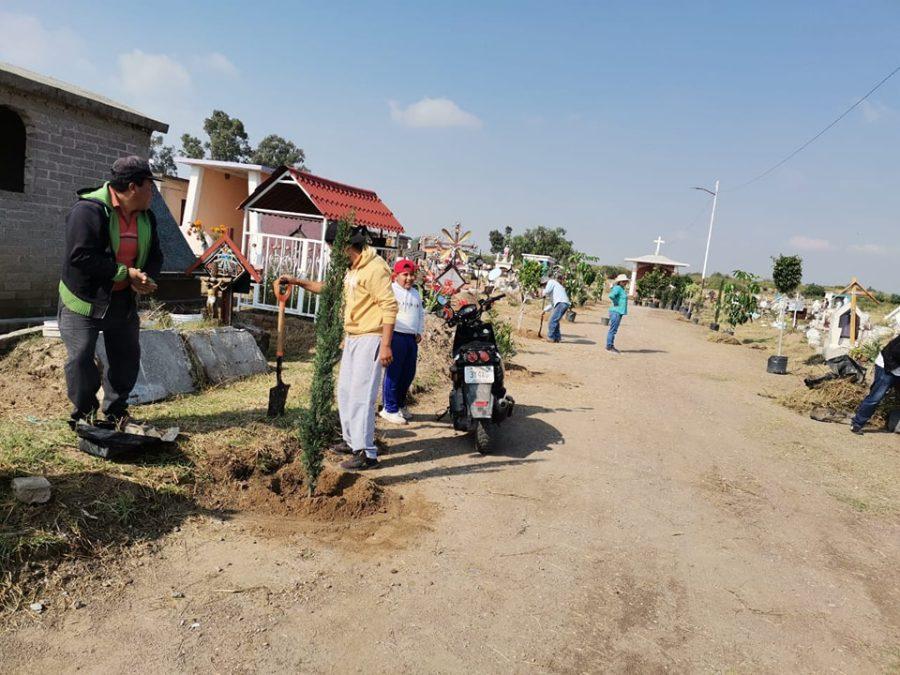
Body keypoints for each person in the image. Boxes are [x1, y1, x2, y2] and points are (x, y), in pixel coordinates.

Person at [279, 225, 397, 470]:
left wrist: (386, 345)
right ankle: (351, 440)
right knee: (345, 392)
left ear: (345, 246)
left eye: (332, 248)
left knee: (361, 396)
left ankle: (367, 453)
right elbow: (328, 287)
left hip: (371, 337)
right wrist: (297, 281)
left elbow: (389, 306)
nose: (332, 253)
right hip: (353, 336)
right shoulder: (350, 268)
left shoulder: (375, 269)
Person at [58, 156, 162, 426]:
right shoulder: (88, 212)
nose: (153, 191)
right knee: (81, 358)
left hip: (121, 300)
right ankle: (84, 414)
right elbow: (80, 256)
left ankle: (116, 411)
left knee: (126, 355)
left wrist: (145, 277)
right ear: (133, 187)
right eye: (150, 185)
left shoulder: (147, 218)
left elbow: (155, 256)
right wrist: (124, 273)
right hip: (84, 299)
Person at [379, 259, 425, 425]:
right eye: (405, 275)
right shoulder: (391, 291)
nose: (409, 278)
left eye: (412, 275)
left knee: (408, 373)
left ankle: (400, 404)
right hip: (396, 335)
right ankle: (389, 408)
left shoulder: (416, 294)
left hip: (410, 339)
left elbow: (421, 314)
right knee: (394, 373)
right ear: (395, 276)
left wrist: (419, 331)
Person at [850, 334, 900, 434]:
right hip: (887, 366)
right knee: (876, 396)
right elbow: (895, 352)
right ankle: (857, 423)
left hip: (897, 369)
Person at [541, 273, 570, 343]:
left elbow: (546, 291)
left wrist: (542, 293)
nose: (543, 286)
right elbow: (552, 304)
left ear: (546, 282)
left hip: (561, 303)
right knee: (555, 321)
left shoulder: (551, 282)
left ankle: (550, 337)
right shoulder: (554, 290)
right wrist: (544, 310)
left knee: (552, 321)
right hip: (562, 303)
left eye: (543, 285)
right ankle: (557, 337)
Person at [606, 274, 629, 353]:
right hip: (616, 311)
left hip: (618, 312)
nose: (625, 282)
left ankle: (610, 346)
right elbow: (611, 295)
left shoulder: (621, 288)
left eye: (625, 281)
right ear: (619, 282)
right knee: (613, 330)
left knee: (614, 330)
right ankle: (609, 346)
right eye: (623, 281)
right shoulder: (618, 288)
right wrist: (616, 303)